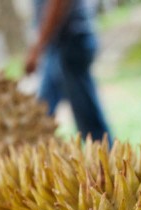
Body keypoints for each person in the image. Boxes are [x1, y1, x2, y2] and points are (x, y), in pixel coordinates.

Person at [25, 0, 112, 143]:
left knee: (87, 117)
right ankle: (37, 158)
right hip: (57, 45)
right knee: (40, 113)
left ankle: (107, 161)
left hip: (71, 41)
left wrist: (38, 48)